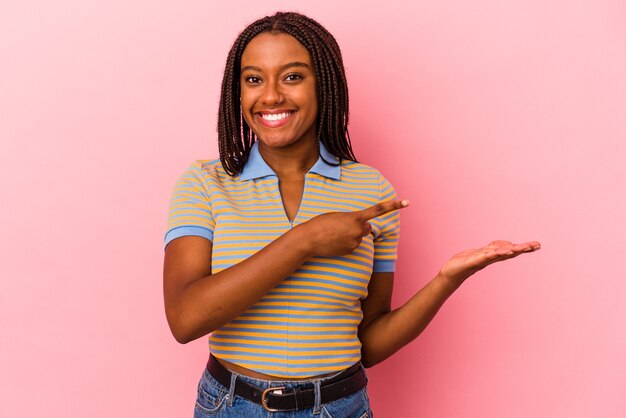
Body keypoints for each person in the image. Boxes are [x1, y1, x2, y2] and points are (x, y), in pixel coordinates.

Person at [163, 11, 541, 418]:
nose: (270, 96)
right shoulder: (204, 182)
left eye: (292, 77)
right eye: (254, 79)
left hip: (340, 407)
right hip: (233, 407)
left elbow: (369, 343)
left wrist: (446, 280)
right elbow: (186, 319)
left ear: (324, 85)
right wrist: (304, 241)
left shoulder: (371, 190)